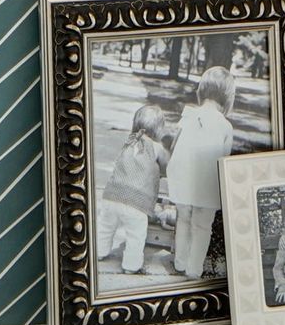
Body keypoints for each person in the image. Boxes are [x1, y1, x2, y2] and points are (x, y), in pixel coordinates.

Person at [163, 66, 235, 280]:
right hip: (207, 181)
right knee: (202, 226)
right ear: (227, 96)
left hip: (184, 175)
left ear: (202, 90)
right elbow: (225, 160)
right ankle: (193, 269)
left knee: (183, 219)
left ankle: (180, 262)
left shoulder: (188, 115)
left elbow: (175, 145)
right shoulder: (225, 126)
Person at [95, 103, 168, 279]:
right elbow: (166, 167)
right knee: (136, 235)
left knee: (105, 227)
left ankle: (100, 252)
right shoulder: (157, 148)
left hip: (112, 196)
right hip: (135, 203)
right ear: (159, 130)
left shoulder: (129, 141)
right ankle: (131, 265)